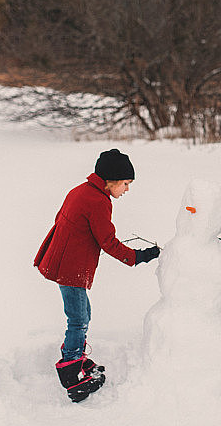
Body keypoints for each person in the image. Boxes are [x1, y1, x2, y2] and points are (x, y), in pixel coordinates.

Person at [34, 148, 160, 402]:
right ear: (110, 180)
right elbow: (108, 242)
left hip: (65, 263)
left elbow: (64, 222)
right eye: (125, 183)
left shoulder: (80, 190)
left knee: (84, 314)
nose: (127, 189)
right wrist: (139, 256)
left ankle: (75, 355)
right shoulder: (98, 201)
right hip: (71, 269)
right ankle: (71, 372)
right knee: (78, 319)